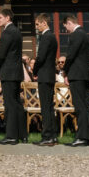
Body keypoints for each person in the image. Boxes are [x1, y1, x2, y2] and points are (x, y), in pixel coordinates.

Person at [0, 6, 27, 144]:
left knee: (10, 104)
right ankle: (22, 135)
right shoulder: (17, 31)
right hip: (16, 72)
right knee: (17, 103)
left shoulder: (7, 32)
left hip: (8, 72)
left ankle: (11, 136)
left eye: (0, 17)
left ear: (7, 18)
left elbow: (1, 54)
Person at [63, 15, 89, 146]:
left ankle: (82, 136)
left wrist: (65, 71)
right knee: (87, 106)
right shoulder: (85, 34)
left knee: (80, 106)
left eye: (65, 27)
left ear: (69, 23)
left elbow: (71, 55)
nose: (66, 30)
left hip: (77, 74)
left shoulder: (76, 35)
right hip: (85, 74)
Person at [33, 13, 58, 146]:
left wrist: (34, 70)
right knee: (49, 106)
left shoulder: (46, 37)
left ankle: (47, 135)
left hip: (44, 74)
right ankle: (53, 136)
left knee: (45, 107)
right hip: (50, 75)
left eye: (37, 24)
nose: (36, 27)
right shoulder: (52, 37)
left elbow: (40, 57)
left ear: (44, 23)